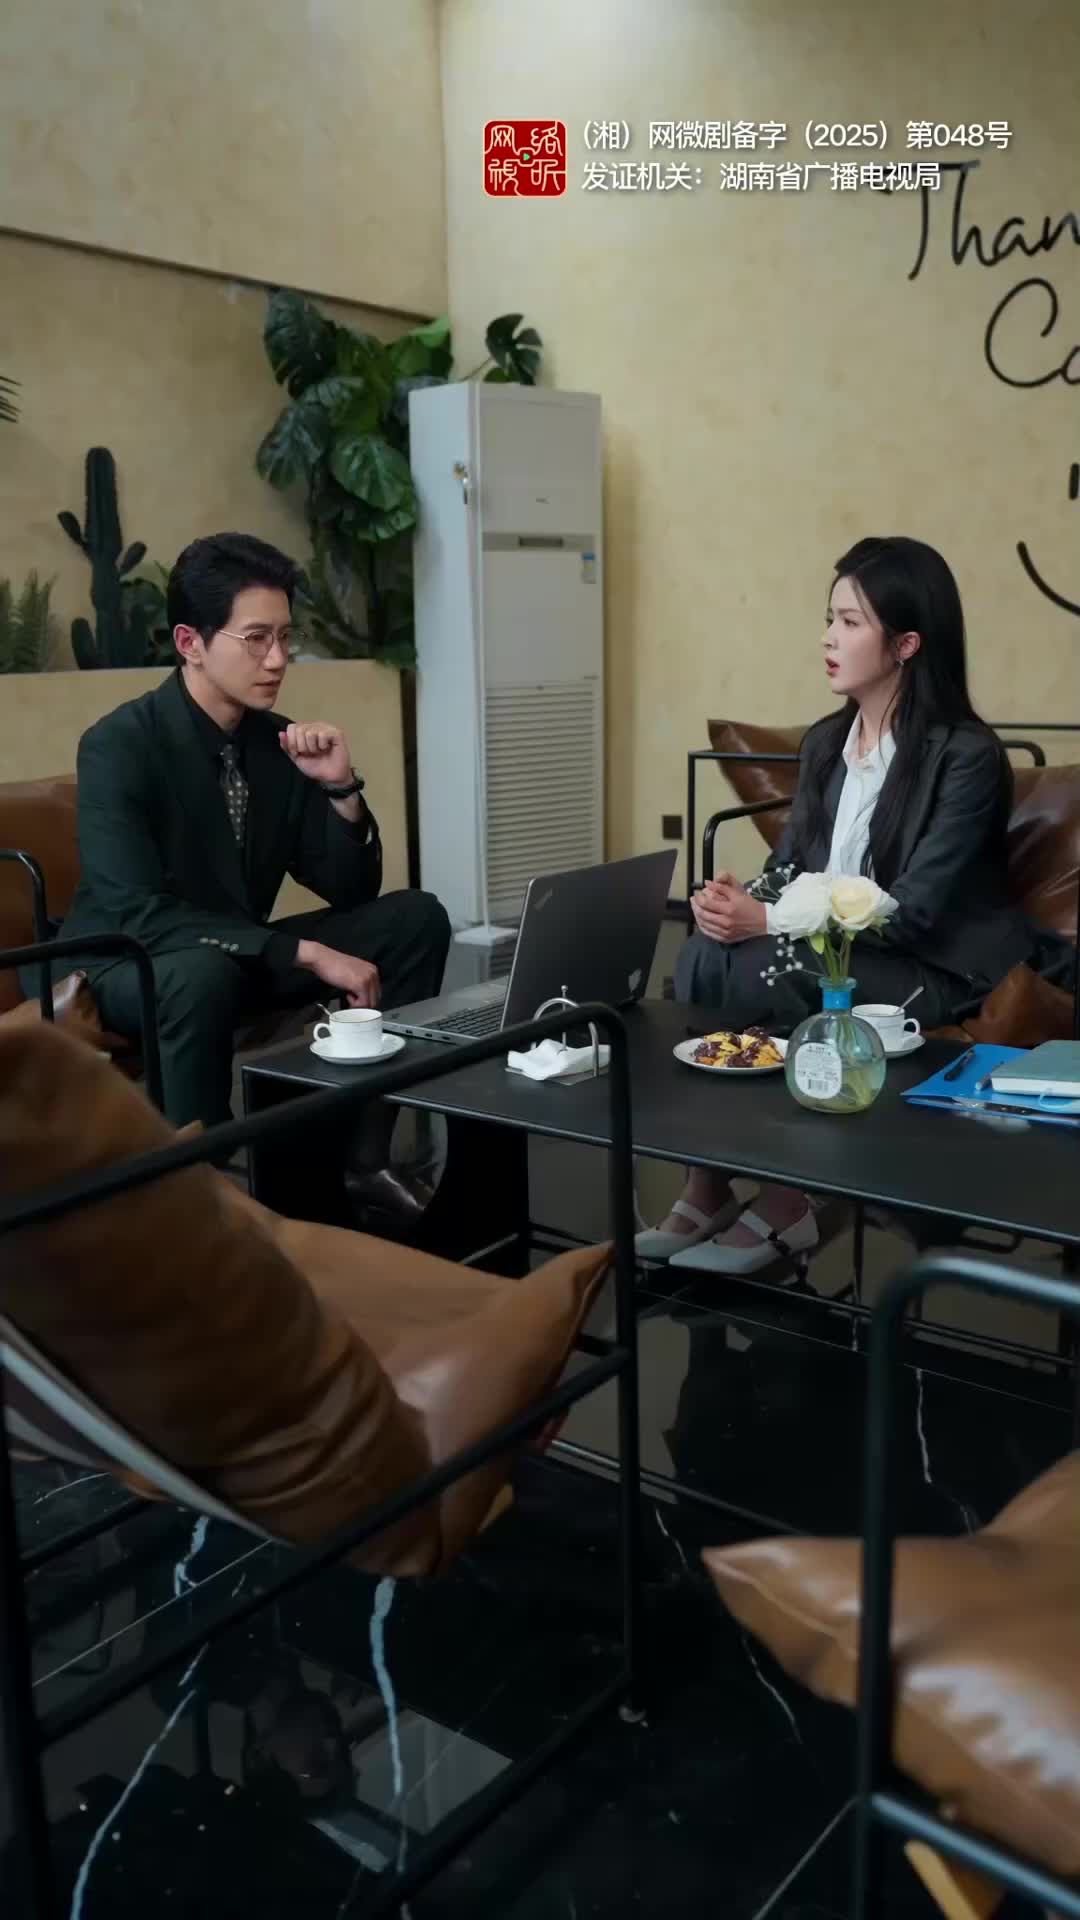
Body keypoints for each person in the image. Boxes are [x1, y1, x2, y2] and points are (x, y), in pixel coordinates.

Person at [639, 534, 1040, 1275]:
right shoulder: (828, 743)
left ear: (907, 644)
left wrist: (768, 921)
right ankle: (709, 1178)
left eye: (850, 622)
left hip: (933, 964)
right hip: (839, 949)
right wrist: (738, 902)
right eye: (830, 618)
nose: (828, 637)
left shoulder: (967, 757)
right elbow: (790, 868)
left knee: (768, 968)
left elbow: (912, 912)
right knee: (702, 953)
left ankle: (791, 1197)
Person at [45, 531, 451, 1151]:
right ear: (191, 643)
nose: (278, 659)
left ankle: (362, 1154)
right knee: (199, 975)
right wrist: (302, 952)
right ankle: (198, 1181)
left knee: (416, 919)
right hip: (124, 961)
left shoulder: (277, 743)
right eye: (256, 638)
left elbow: (351, 889)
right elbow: (135, 911)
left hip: (235, 954)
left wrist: (340, 789)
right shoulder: (118, 744)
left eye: (285, 636)